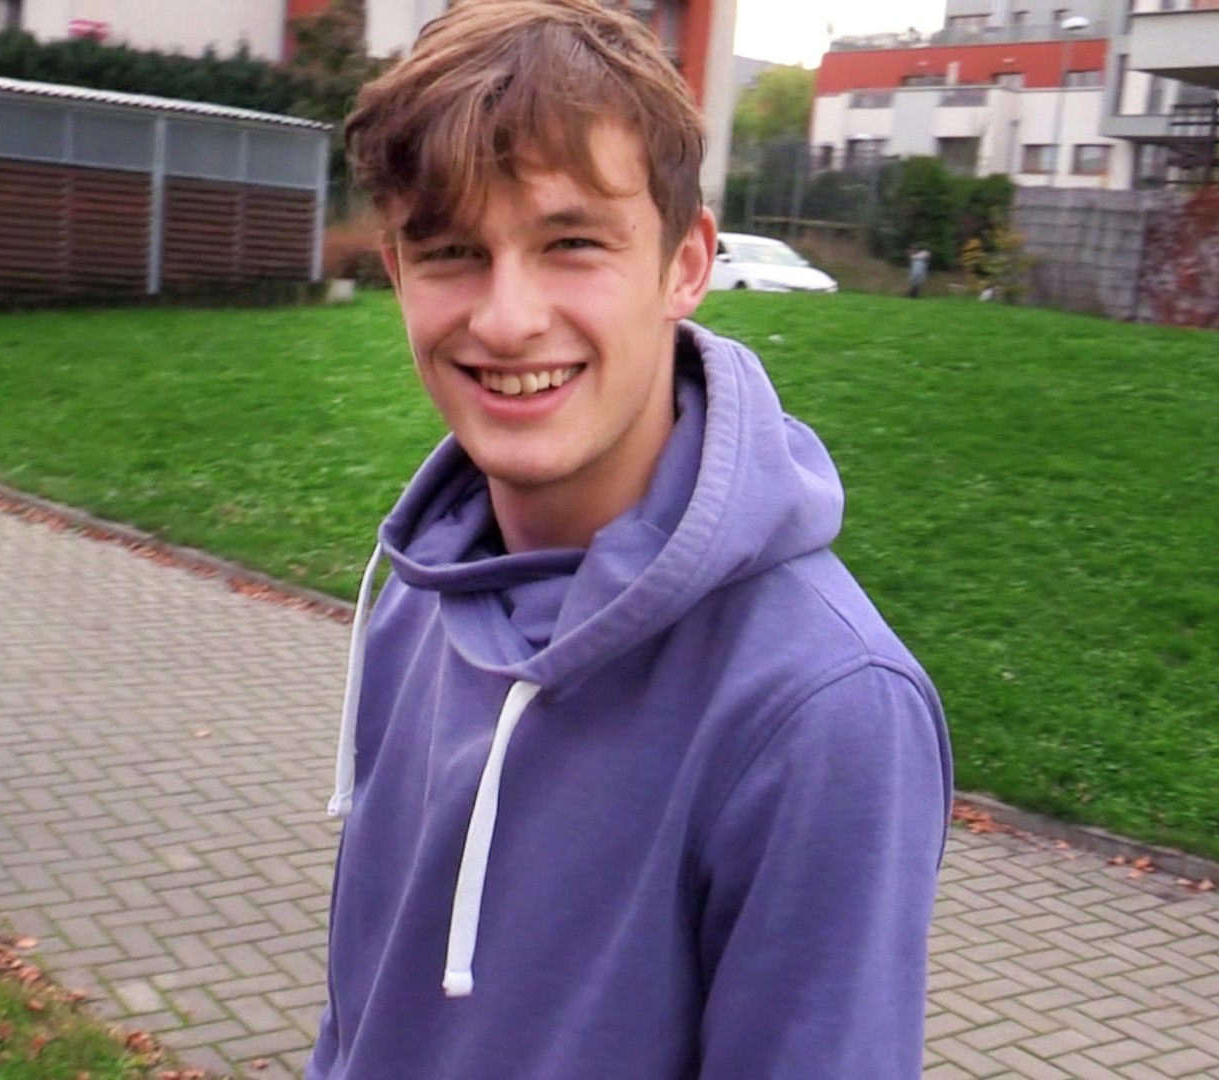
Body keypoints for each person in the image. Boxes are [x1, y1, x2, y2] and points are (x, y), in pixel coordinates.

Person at [311, 2, 953, 1077]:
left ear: (685, 262)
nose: (506, 319)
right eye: (452, 251)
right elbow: (362, 1010)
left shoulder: (824, 710)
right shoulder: (418, 598)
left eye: (571, 244)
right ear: (397, 272)